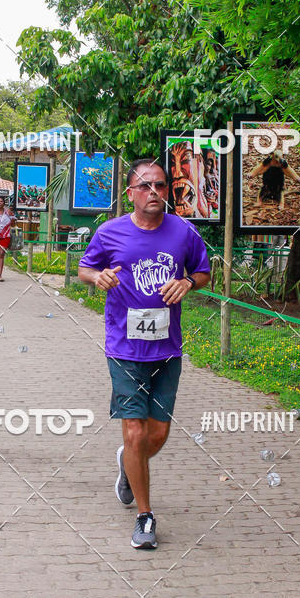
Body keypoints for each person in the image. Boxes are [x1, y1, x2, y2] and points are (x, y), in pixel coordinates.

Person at [78, 158, 210, 549]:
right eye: (146, 186)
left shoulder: (184, 232)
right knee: (135, 431)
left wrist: (188, 282)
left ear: (168, 191)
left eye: (161, 186)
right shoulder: (110, 232)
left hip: (166, 348)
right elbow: (86, 267)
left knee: (158, 434)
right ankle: (145, 516)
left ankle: (127, 462)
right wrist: (96, 276)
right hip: (124, 347)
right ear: (131, 193)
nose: (154, 192)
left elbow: (204, 273)